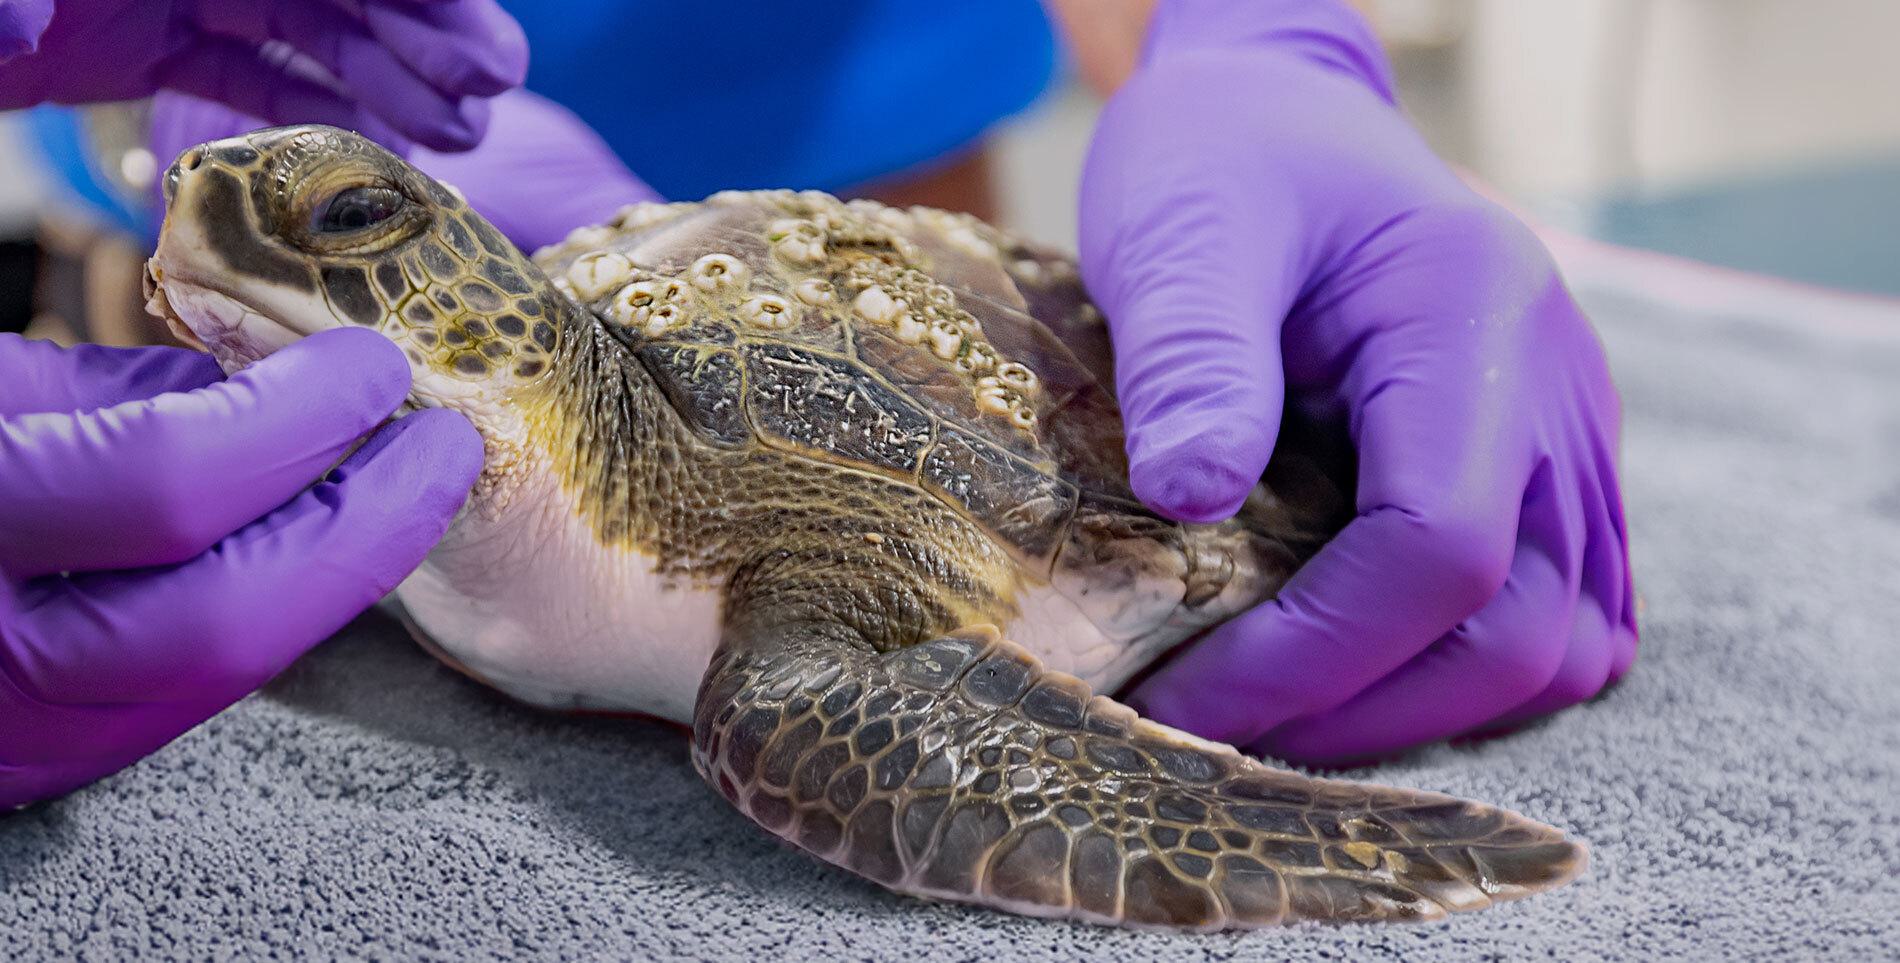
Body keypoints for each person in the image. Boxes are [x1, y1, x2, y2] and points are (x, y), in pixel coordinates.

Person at [2, 0, 1634, 810]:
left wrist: (1258, 33)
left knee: (797, 714)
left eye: (364, 226)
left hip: (911, 205)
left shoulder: (789, 620)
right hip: (206, 196)